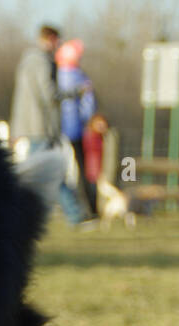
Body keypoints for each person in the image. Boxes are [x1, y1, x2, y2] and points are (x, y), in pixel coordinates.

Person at [9, 24, 88, 228]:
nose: (59, 46)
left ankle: (70, 214)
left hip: (32, 126)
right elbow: (49, 95)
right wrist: (75, 93)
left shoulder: (27, 60)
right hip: (41, 127)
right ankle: (74, 215)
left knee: (42, 171)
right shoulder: (41, 61)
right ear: (51, 39)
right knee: (48, 171)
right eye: (58, 41)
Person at [56, 40, 98, 218]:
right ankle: (90, 208)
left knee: (60, 169)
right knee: (83, 169)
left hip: (57, 129)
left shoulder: (56, 74)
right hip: (77, 130)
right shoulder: (80, 77)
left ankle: (69, 208)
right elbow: (89, 103)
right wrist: (87, 120)